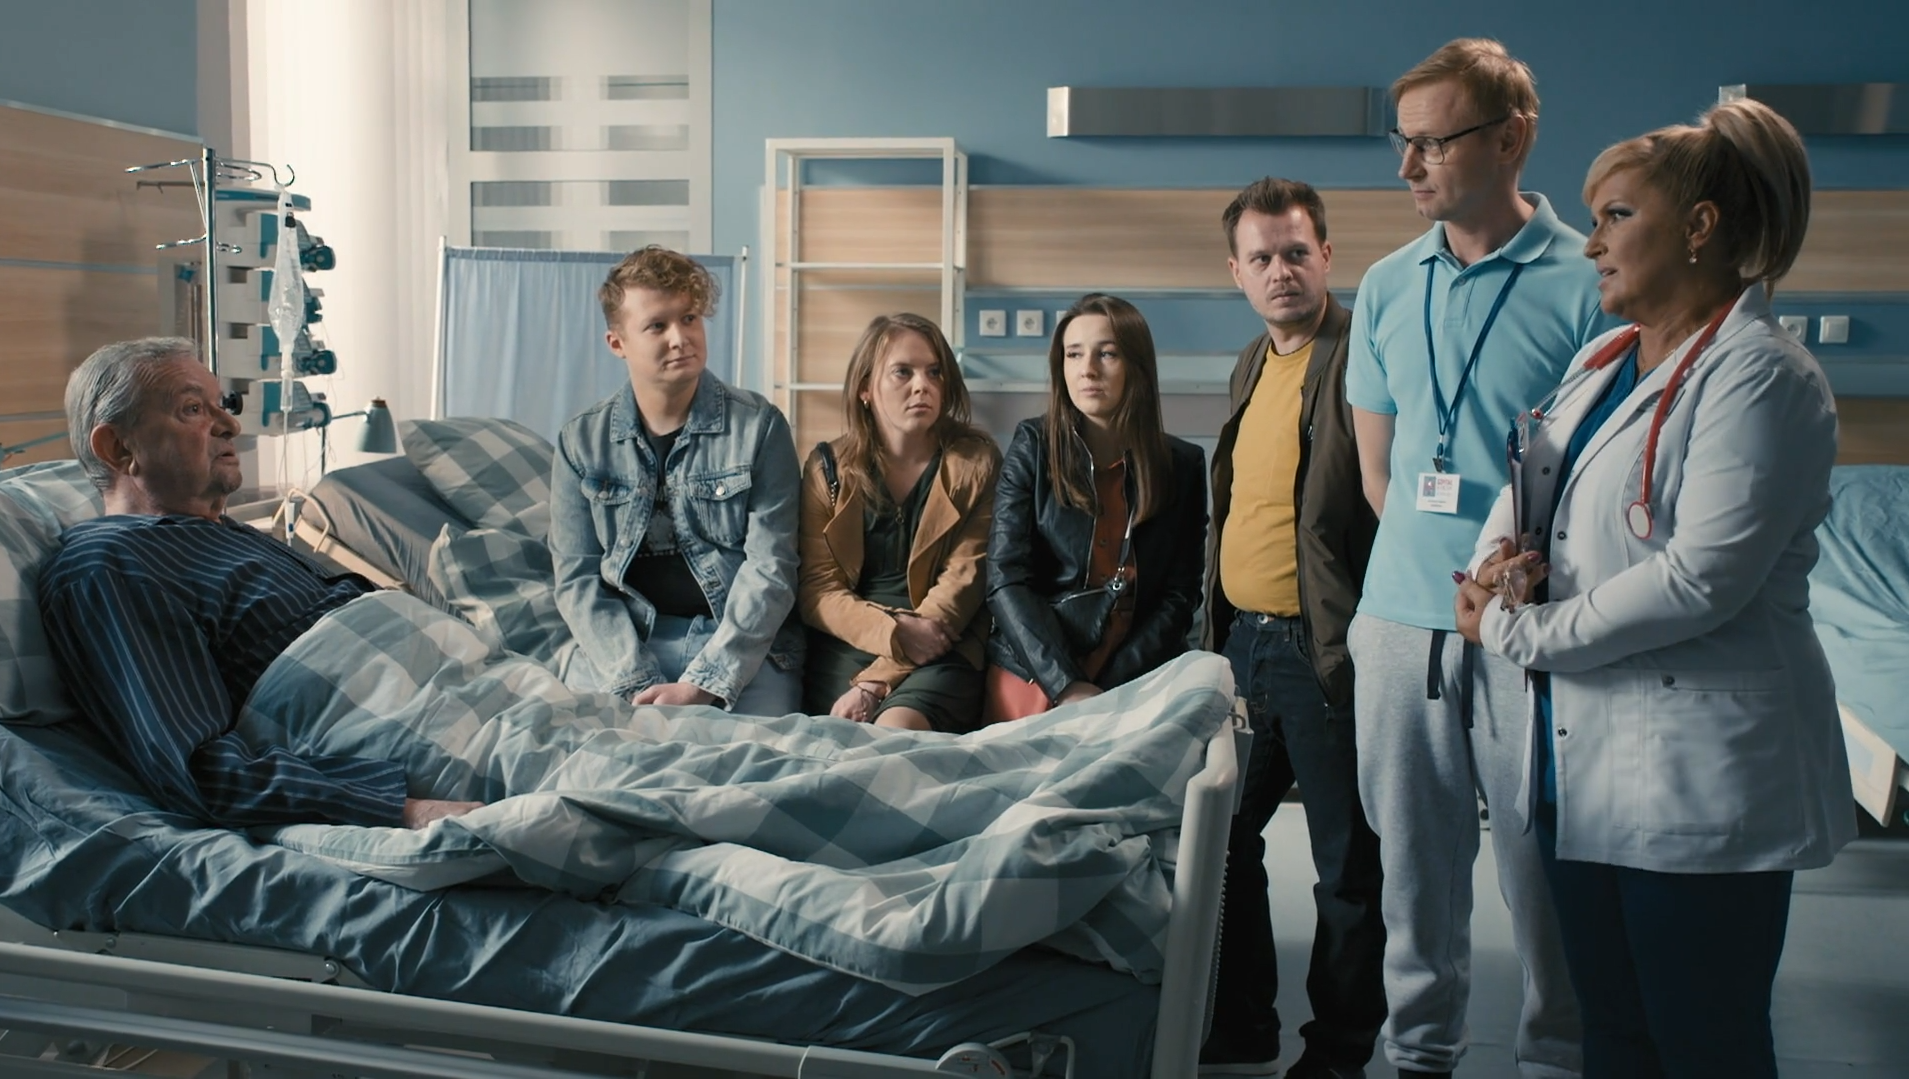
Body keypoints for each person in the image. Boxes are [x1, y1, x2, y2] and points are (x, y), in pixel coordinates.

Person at [1455, 97, 1852, 1079]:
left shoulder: (1762, 378)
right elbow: (1533, 475)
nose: (1590, 243)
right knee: (1613, 1035)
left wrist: (1516, 631)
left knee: (1704, 1042)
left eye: (1616, 216)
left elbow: (1698, 580)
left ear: (1699, 226)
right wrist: (1496, 557)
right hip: (1577, 765)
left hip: (1695, 776)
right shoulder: (1602, 359)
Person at [1343, 38, 1617, 1078]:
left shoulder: (1587, 283)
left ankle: (1556, 1055)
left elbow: (1598, 472)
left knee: (1542, 873)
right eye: (1401, 142)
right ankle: (1418, 1054)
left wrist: (1508, 584)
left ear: (1511, 139)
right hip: (1398, 622)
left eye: (1433, 142)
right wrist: (1438, 574)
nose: (1407, 166)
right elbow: (1380, 470)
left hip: (1528, 628)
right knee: (1412, 875)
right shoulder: (1384, 284)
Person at [37, 337, 479, 830]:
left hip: (475, 691)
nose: (231, 425)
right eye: (192, 409)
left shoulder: (224, 534)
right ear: (119, 448)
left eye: (221, 404)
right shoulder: (109, 568)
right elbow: (203, 770)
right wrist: (404, 809)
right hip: (432, 745)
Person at [1200, 178, 1383, 1079]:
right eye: (1262, 257)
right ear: (1236, 271)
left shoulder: (1359, 358)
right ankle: (1244, 1026)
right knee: (1222, 841)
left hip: (1323, 652)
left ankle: (1339, 1051)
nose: (1280, 271)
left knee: (1344, 864)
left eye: (1295, 252)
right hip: (1243, 647)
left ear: (1326, 256)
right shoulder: (1249, 363)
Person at [550, 246, 803, 715]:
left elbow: (772, 567)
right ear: (617, 343)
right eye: (657, 326)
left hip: (741, 648)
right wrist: (635, 678)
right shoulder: (580, 442)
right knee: (582, 752)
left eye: (689, 318)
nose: (680, 338)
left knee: (755, 759)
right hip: (622, 647)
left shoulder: (760, 427)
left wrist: (707, 682)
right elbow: (577, 580)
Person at [984, 293, 1206, 722]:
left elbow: (1179, 597)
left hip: (1137, 669)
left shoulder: (1182, 465)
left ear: (1136, 366)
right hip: (1036, 665)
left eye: (1107, 353)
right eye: (1073, 354)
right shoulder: (1032, 446)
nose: (1087, 369)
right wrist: (1066, 684)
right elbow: (1005, 578)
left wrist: (1109, 691)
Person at [797, 313, 999, 731]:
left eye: (934, 372)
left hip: (943, 641)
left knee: (895, 729)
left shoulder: (976, 462)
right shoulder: (827, 468)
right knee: (840, 739)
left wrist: (876, 683)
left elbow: (963, 584)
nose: (922, 385)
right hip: (852, 640)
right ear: (865, 388)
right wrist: (891, 631)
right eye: (902, 372)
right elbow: (818, 589)